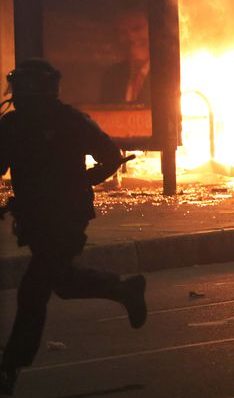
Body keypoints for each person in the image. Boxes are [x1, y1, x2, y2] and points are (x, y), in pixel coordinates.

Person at [0, 60, 148, 395]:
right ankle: (124, 290)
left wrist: (79, 182)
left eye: (23, 89)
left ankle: (10, 366)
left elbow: (110, 157)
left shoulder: (68, 122)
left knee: (33, 290)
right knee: (63, 282)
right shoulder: (14, 126)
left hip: (66, 216)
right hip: (37, 219)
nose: (18, 96)